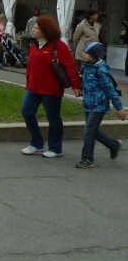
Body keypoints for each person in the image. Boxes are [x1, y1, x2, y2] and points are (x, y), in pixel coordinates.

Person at [20, 15, 82, 158]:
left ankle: (55, 148)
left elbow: (70, 67)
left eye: (36, 28)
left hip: (51, 89)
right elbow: (30, 67)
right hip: (33, 88)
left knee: (53, 118)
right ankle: (36, 144)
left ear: (45, 31)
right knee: (26, 112)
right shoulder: (34, 46)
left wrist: (76, 86)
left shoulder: (58, 46)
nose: (33, 30)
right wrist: (28, 82)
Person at [75, 42, 126, 168]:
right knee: (92, 131)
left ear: (94, 55)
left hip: (99, 105)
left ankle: (87, 159)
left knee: (88, 132)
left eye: (86, 53)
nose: (83, 54)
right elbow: (85, 81)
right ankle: (113, 145)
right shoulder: (86, 66)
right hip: (88, 103)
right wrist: (80, 89)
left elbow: (110, 90)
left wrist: (119, 108)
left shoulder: (101, 70)